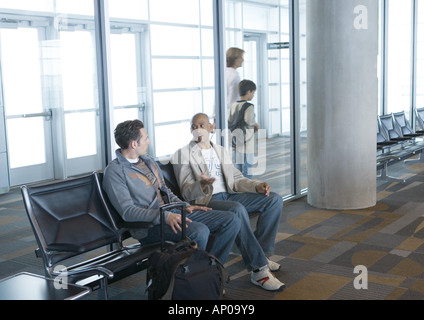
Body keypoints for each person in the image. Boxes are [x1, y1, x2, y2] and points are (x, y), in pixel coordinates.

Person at [172, 113, 285, 292]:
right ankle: (259, 269)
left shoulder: (221, 151)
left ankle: (260, 253)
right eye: (193, 127)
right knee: (237, 210)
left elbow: (236, 178)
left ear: (211, 127)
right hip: (208, 200)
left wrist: (256, 186)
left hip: (230, 196)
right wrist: (201, 184)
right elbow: (186, 192)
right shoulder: (183, 154)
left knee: (274, 200)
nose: (197, 129)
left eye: (201, 125)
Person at [102, 119, 241, 264]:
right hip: (150, 226)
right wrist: (165, 216)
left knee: (231, 220)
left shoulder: (148, 160)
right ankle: (196, 278)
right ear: (134, 144)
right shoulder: (115, 172)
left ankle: (211, 270)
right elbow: (128, 211)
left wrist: (184, 205)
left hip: (174, 212)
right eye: (146, 138)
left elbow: (165, 191)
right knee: (200, 231)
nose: (149, 142)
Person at [228, 79, 259, 179]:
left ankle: (239, 188)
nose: (253, 95)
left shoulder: (233, 105)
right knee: (247, 169)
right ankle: (247, 190)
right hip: (247, 142)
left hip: (235, 141)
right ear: (248, 92)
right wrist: (255, 125)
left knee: (238, 168)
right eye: (253, 93)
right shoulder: (249, 106)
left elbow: (229, 120)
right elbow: (249, 121)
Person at [226, 47, 245, 112]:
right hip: (230, 113)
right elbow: (234, 98)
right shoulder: (234, 75)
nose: (243, 60)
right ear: (234, 59)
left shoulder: (224, 72)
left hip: (223, 113)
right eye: (241, 57)